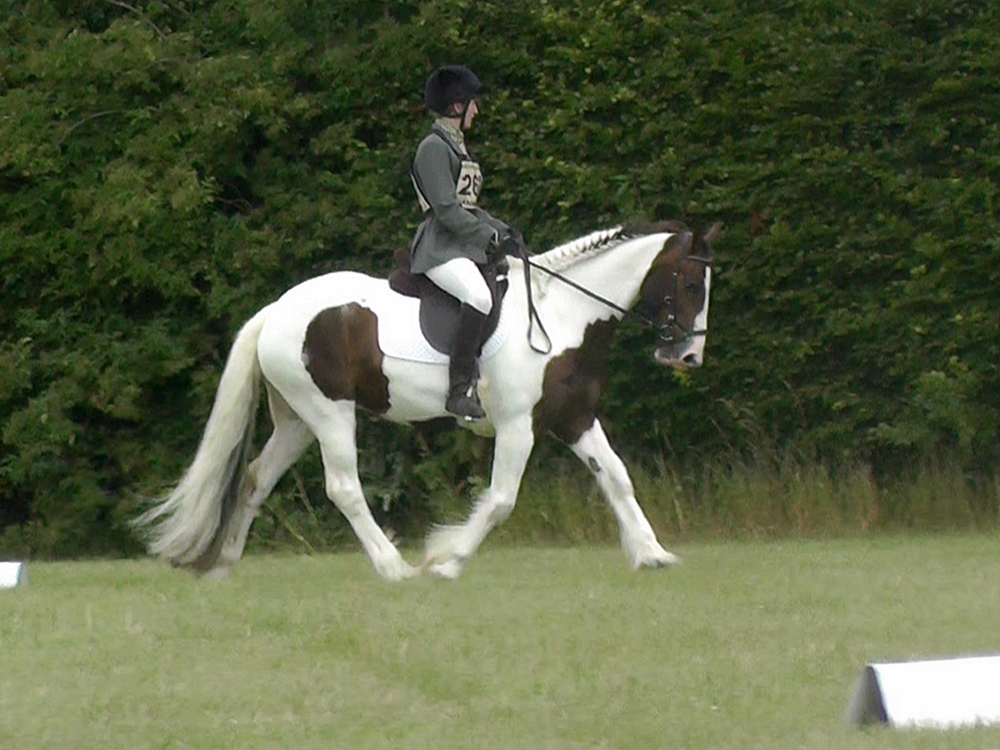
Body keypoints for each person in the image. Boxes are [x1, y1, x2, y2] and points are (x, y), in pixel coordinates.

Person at [409, 65, 521, 421]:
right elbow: (446, 210)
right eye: (473, 104)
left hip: (461, 243)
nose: (477, 110)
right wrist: (488, 236)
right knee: (478, 296)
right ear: (457, 106)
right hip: (439, 247)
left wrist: (503, 230)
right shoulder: (432, 148)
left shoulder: (457, 147)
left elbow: (469, 208)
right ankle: (458, 390)